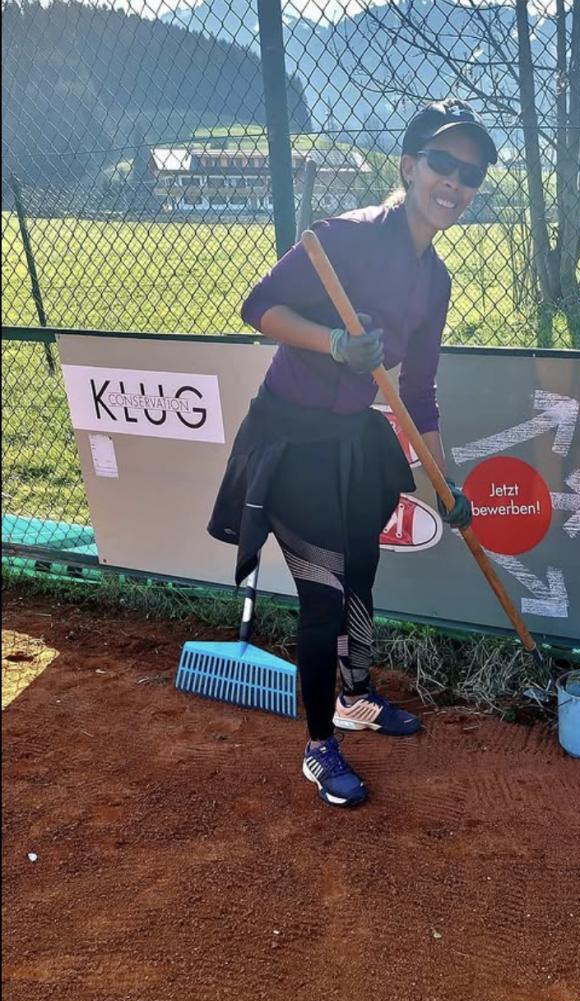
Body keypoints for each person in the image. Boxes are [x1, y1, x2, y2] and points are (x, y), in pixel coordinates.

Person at [208, 99, 497, 807]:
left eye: (471, 174)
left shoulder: (435, 280)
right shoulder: (347, 238)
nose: (455, 182)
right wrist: (334, 343)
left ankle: (355, 698)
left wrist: (445, 483)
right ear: (409, 166)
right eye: (443, 163)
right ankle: (318, 747)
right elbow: (258, 306)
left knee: (361, 573)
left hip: (351, 440)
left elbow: (419, 392)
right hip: (290, 440)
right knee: (324, 596)